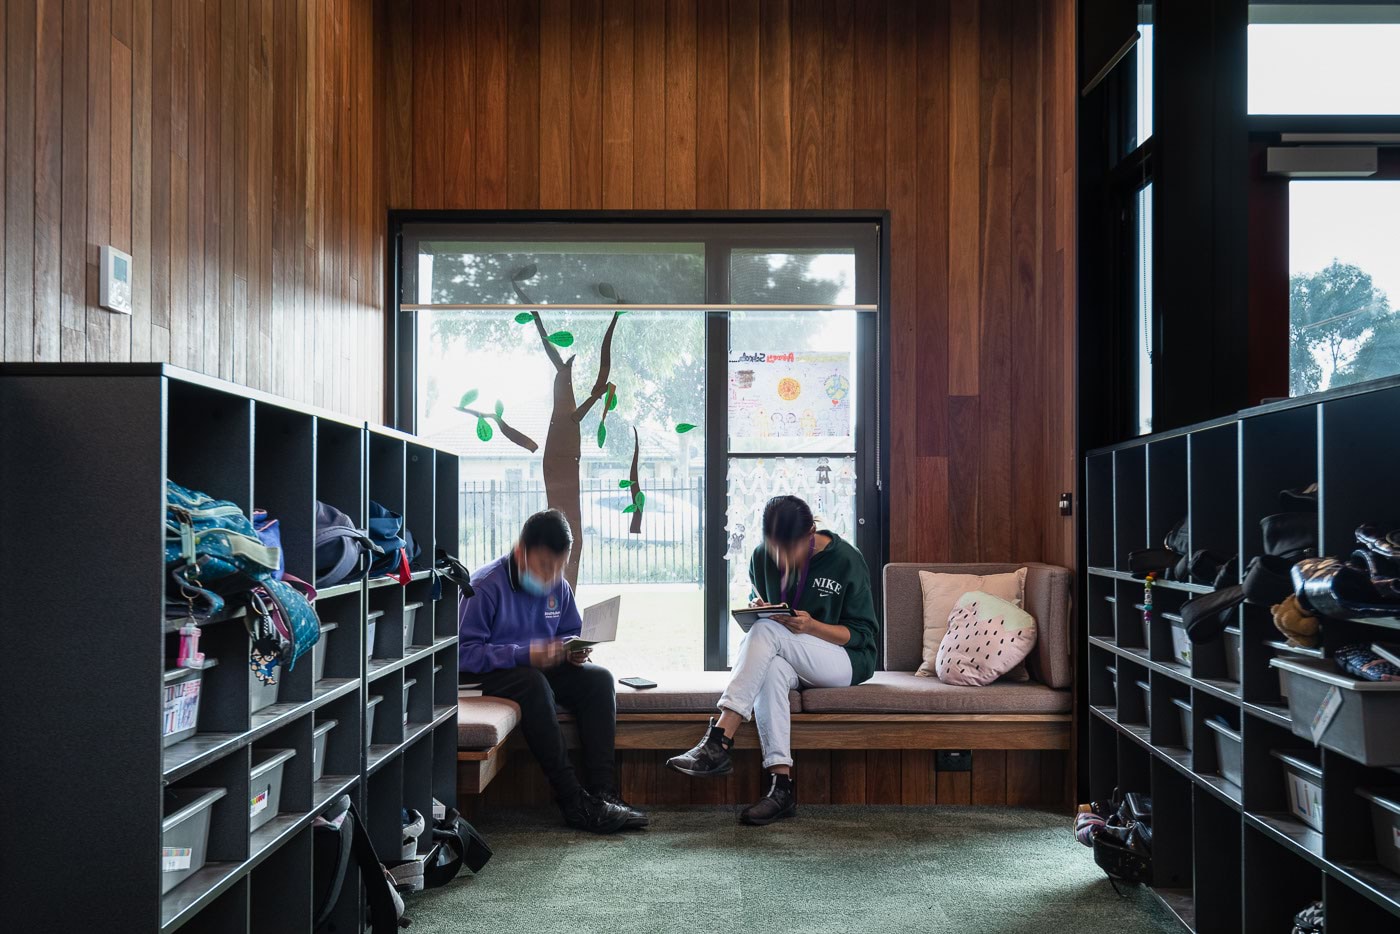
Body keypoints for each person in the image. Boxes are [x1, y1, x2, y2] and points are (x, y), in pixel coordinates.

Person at [666, 495, 878, 825]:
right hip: (791, 655)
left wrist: (812, 626)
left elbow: (863, 634)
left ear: (810, 533)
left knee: (767, 633)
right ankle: (781, 787)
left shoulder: (847, 560)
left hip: (845, 659)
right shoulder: (761, 558)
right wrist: (760, 607)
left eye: (788, 549)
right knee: (771, 667)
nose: (780, 558)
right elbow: (764, 612)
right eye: (774, 548)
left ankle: (720, 739)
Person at [459, 509, 645, 834]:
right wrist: (524, 654)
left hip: (539, 668)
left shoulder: (558, 585)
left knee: (599, 680)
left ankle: (603, 795)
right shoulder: (484, 586)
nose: (552, 576)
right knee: (532, 682)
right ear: (521, 552)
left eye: (560, 568)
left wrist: (573, 649)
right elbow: (463, 654)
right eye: (545, 566)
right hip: (485, 675)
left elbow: (568, 630)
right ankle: (573, 801)